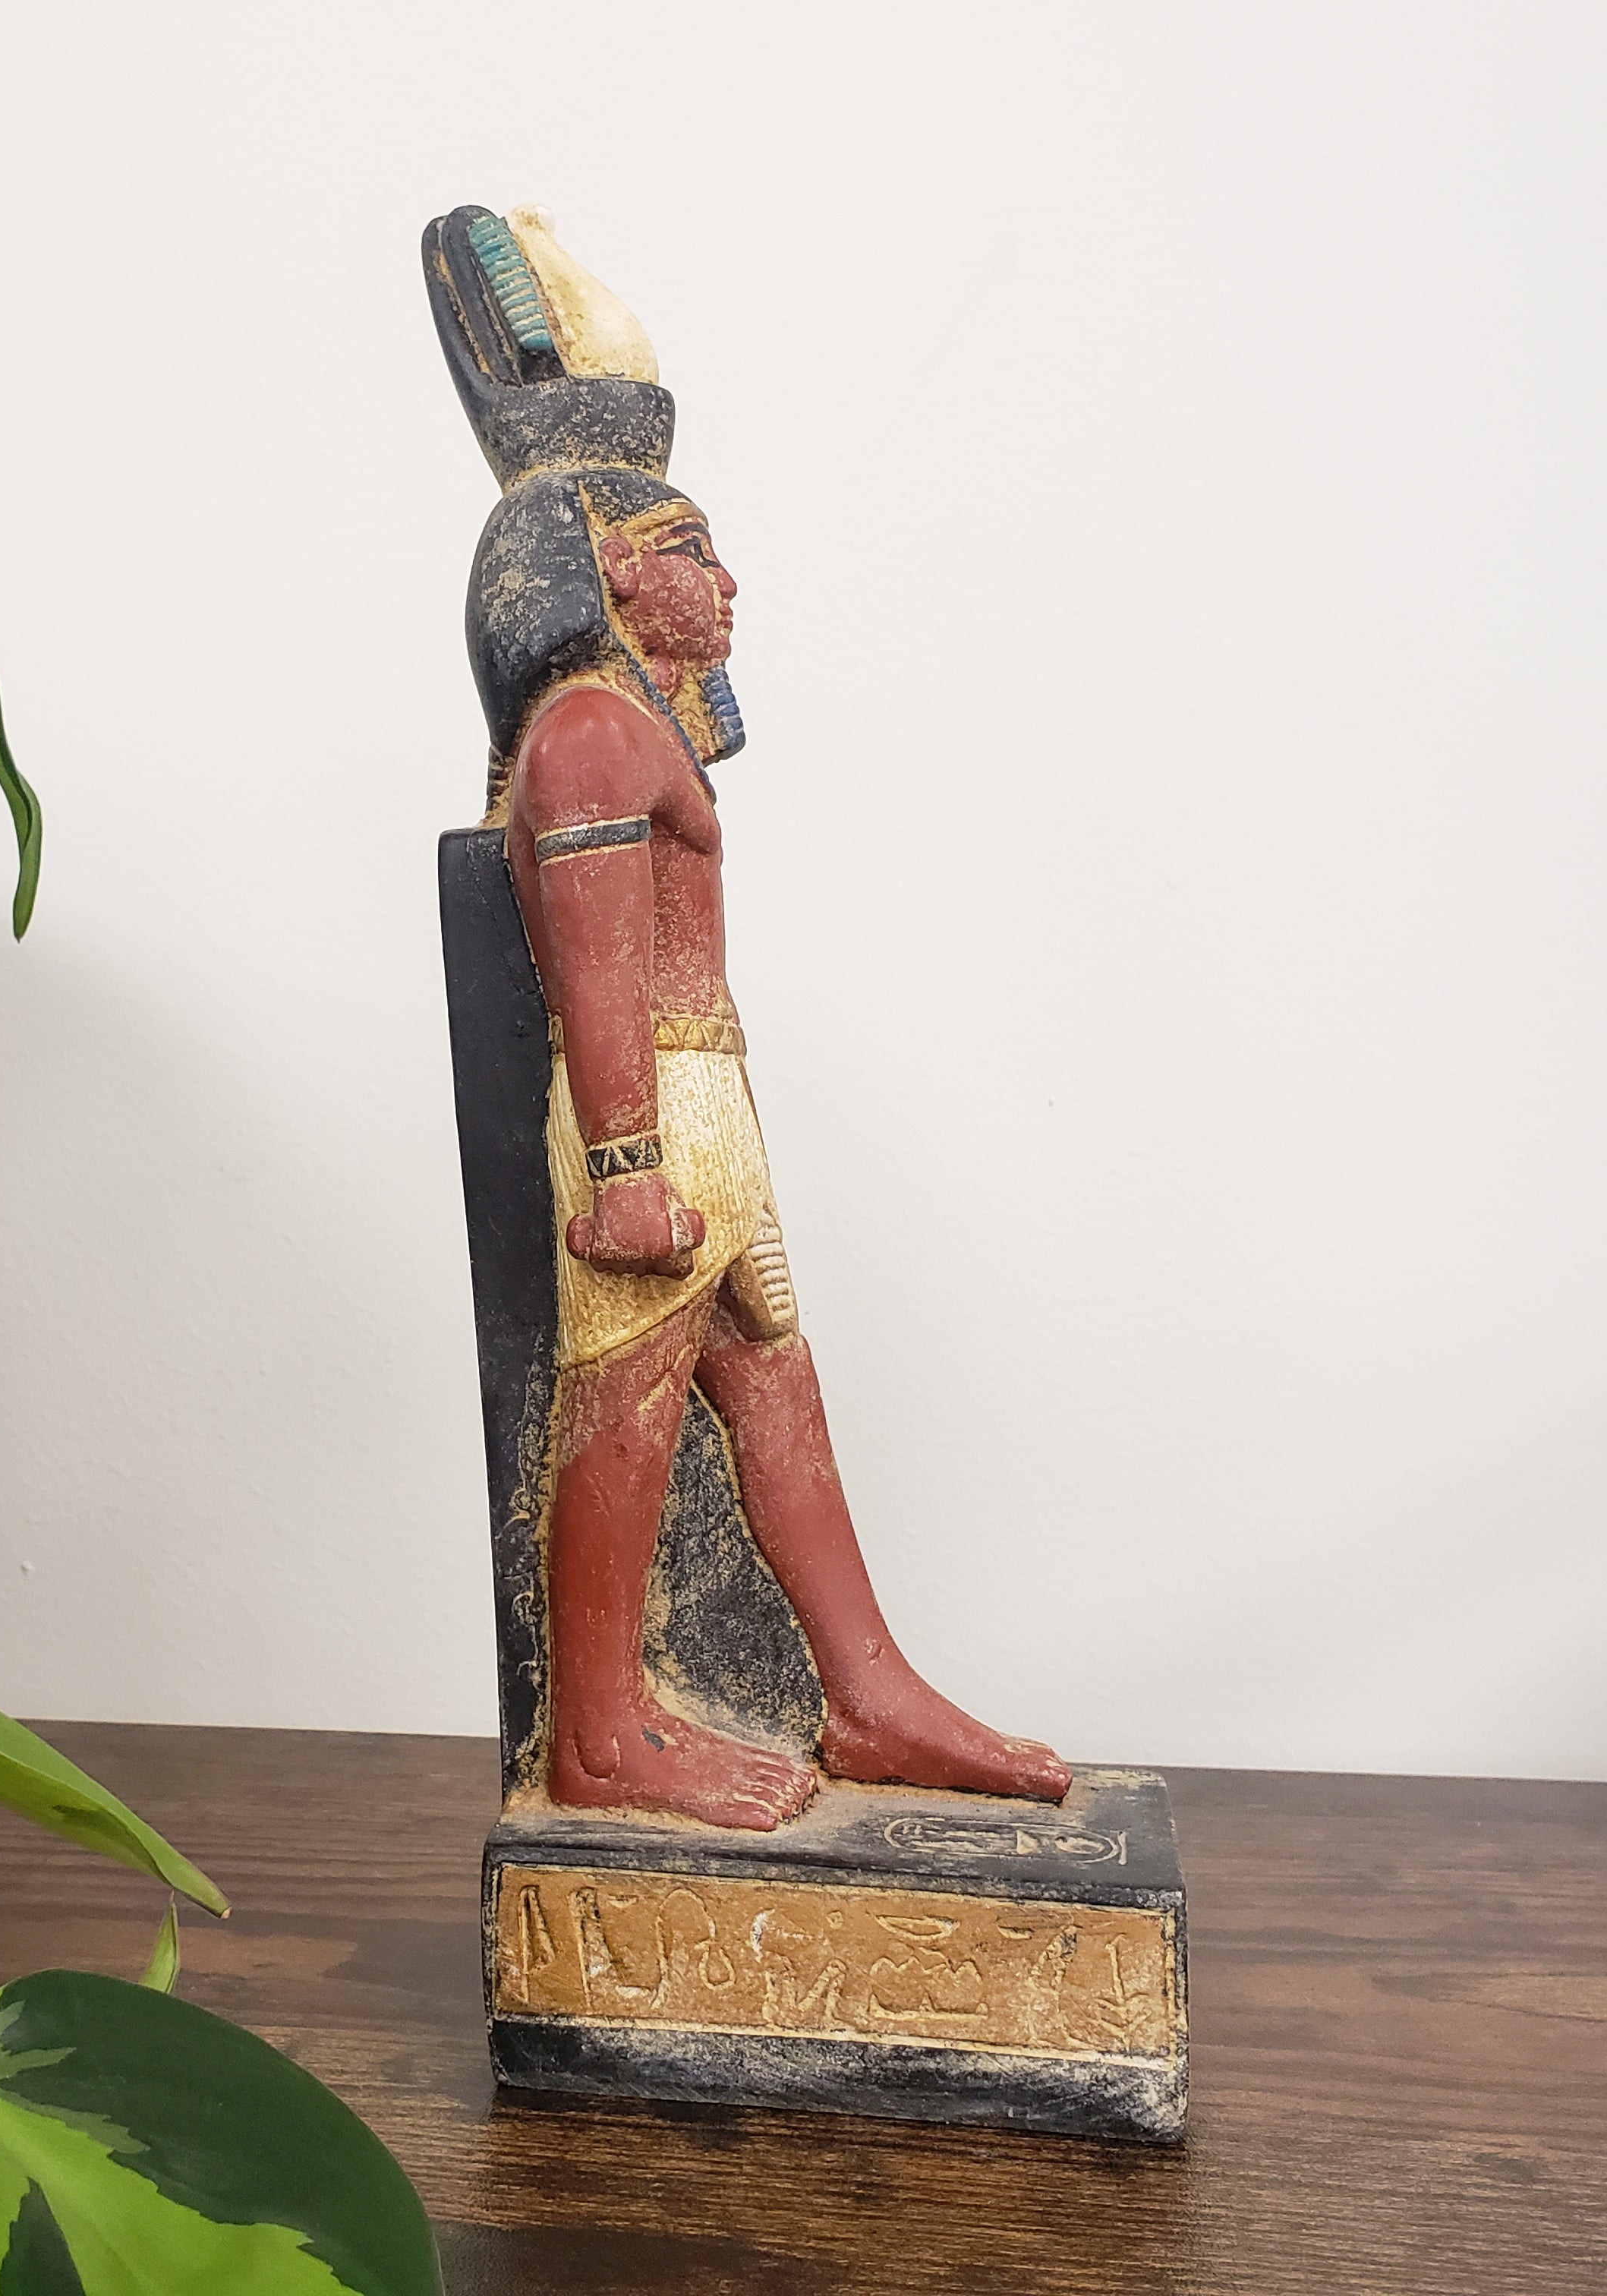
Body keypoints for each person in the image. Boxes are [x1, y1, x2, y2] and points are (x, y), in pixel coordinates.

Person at [430, 206, 1070, 1830]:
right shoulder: (585, 732)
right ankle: (598, 1733)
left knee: (767, 1377)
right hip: (650, 1108)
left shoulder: (634, 726)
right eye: (693, 550)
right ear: (606, 570)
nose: (727, 582)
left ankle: (868, 1692)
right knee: (627, 1398)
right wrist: (631, 1163)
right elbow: (587, 963)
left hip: (705, 1096)